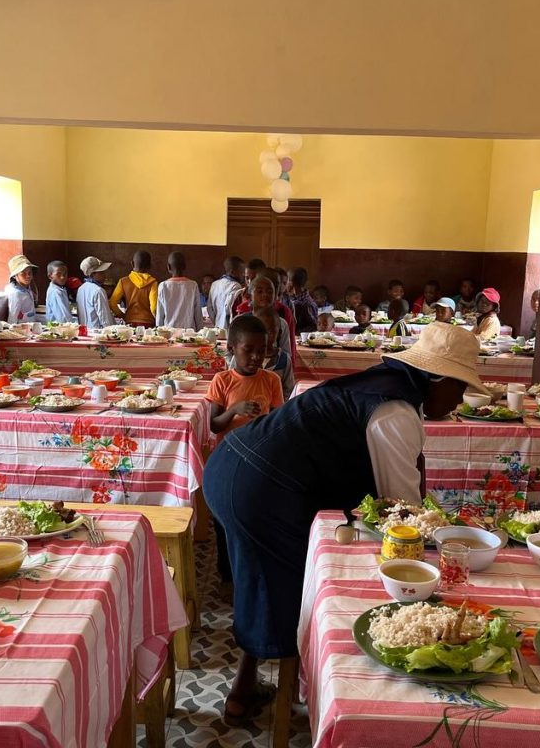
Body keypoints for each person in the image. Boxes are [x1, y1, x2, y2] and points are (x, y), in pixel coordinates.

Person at [203, 324, 488, 725]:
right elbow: (402, 514)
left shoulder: (383, 388)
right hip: (259, 485)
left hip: (231, 467)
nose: (459, 400)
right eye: (459, 389)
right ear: (438, 379)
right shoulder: (396, 411)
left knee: (260, 579)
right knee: (297, 588)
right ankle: (303, 694)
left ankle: (243, 690)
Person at [206, 314, 285, 588]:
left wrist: (264, 421)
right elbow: (214, 426)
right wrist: (234, 410)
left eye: (261, 351)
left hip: (258, 461)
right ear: (231, 349)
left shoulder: (271, 380)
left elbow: (279, 423)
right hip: (227, 461)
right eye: (247, 350)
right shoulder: (222, 380)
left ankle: (253, 574)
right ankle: (227, 577)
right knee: (224, 522)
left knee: (255, 519)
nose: (255, 357)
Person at [233, 268, 296, 355]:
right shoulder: (240, 320)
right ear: (250, 294)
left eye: (270, 291)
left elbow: (288, 352)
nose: (265, 295)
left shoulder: (282, 321)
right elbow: (231, 351)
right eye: (259, 291)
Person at [253, 306, 295, 402]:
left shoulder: (284, 360)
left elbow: (289, 389)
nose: (264, 335)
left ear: (279, 333)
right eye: (259, 330)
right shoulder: (242, 357)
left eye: (270, 331)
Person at [156, 251, 204, 330]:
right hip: (189, 333)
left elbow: (160, 315)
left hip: (169, 332)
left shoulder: (163, 286)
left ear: (168, 267)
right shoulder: (193, 285)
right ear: (185, 266)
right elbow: (198, 313)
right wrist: (200, 332)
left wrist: (159, 332)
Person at [109, 250, 158, 327]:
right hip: (148, 323)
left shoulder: (123, 281)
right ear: (150, 266)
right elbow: (154, 308)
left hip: (130, 322)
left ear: (132, 263)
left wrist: (122, 315)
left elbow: (112, 303)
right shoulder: (153, 283)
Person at [75, 256, 115, 329]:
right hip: (98, 332)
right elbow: (105, 318)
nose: (104, 275)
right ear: (92, 274)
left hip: (85, 331)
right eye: (101, 272)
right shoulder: (98, 291)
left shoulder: (81, 289)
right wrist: (112, 332)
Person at [207, 256, 245, 330]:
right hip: (229, 327)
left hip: (217, 326)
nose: (243, 275)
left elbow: (209, 308)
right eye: (241, 271)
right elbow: (231, 310)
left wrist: (216, 321)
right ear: (232, 272)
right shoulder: (235, 285)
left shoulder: (215, 284)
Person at [4, 255, 38, 324]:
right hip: (21, 330)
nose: (28, 276)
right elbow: (12, 318)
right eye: (23, 273)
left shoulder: (26, 288)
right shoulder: (15, 293)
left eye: (30, 273)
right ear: (15, 276)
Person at [286, 267, 318, 333]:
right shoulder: (290, 298)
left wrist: (295, 332)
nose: (285, 284)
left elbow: (313, 326)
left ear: (291, 283)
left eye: (286, 281)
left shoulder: (307, 303)